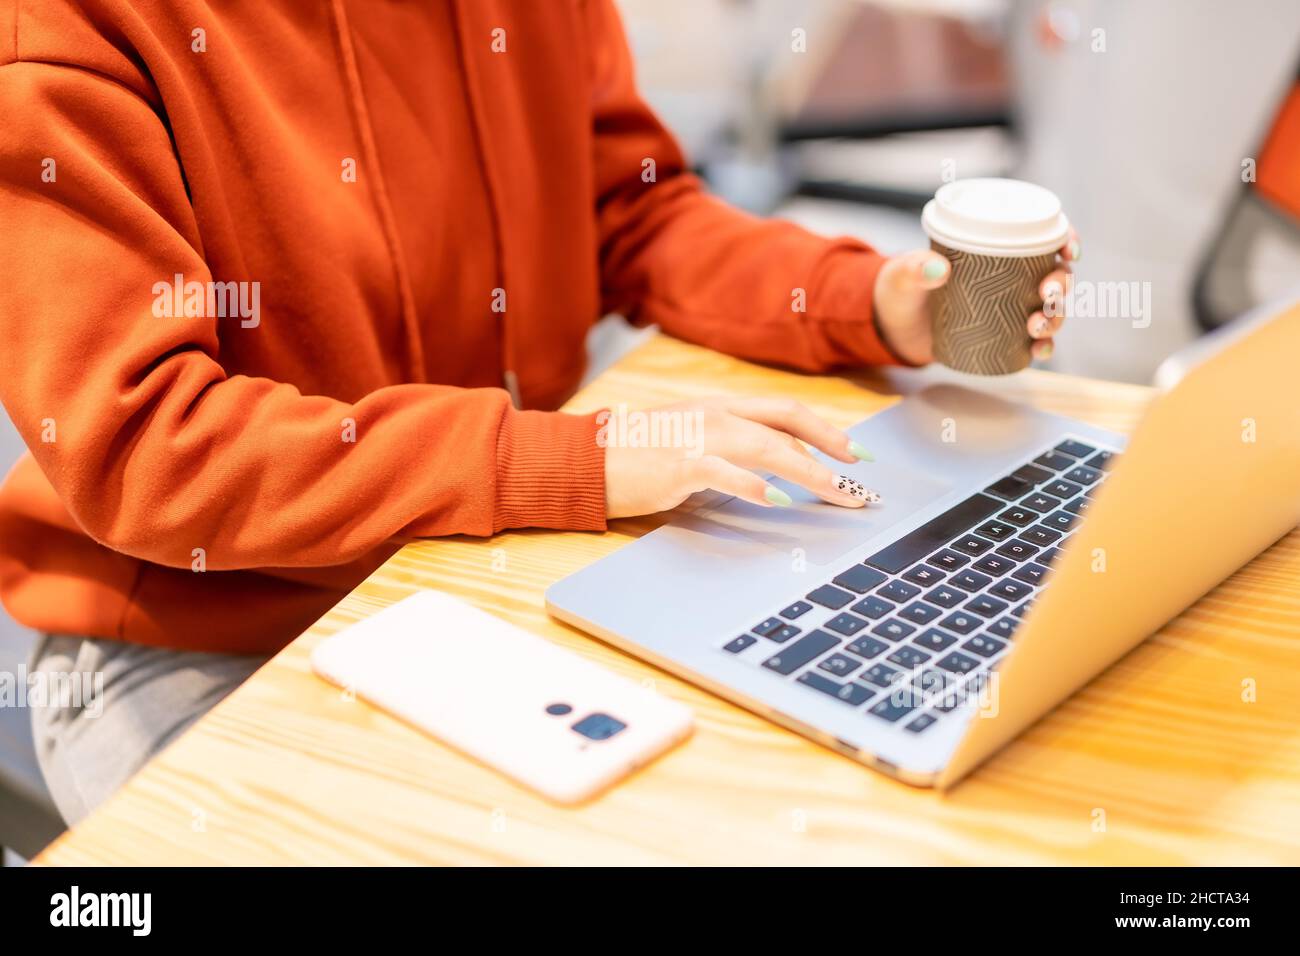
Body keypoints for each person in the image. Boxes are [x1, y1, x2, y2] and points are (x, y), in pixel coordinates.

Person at [0, 0, 1075, 823]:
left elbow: (628, 210)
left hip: (486, 569)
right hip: (213, 636)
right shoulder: (62, 31)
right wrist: (574, 459)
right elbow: (149, 446)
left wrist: (865, 302)